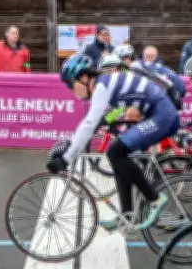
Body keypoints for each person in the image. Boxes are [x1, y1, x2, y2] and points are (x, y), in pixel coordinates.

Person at [46, 54, 178, 232]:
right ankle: (127, 215)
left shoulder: (101, 86)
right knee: (118, 159)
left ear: (84, 78)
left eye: (70, 85)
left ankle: (154, 199)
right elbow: (100, 117)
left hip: (163, 116)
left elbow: (89, 123)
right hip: (158, 114)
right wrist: (72, 143)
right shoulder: (104, 83)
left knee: (115, 152)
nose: (71, 91)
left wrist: (66, 158)